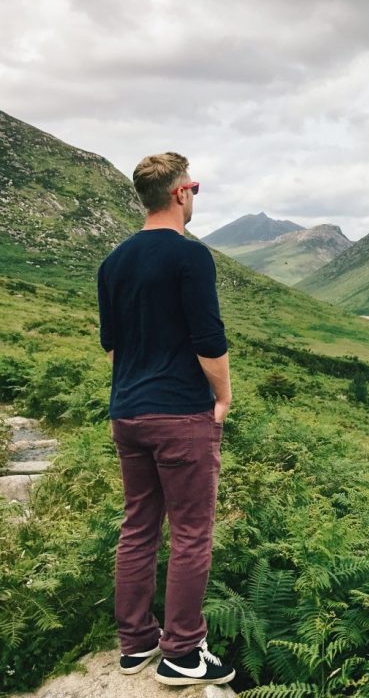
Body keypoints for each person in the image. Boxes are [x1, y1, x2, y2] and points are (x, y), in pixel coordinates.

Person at [96, 152, 235, 686]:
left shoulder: (113, 262)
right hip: (181, 414)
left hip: (127, 413)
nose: (194, 195)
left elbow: (112, 346)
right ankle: (182, 651)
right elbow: (209, 339)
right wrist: (221, 398)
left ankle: (135, 644)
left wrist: (136, 380)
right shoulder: (190, 256)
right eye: (193, 187)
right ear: (180, 194)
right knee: (192, 533)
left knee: (138, 527)